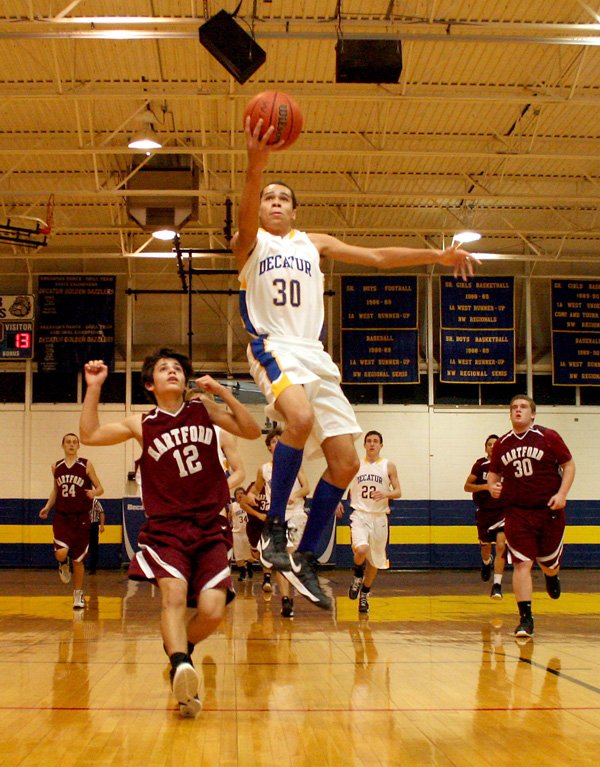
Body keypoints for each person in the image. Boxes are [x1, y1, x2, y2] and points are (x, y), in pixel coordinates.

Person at [232, 116, 478, 609]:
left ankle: (302, 556)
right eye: (268, 197)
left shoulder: (313, 243)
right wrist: (256, 165)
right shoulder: (250, 244)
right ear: (259, 207)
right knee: (297, 420)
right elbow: (247, 203)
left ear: (295, 210)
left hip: (316, 356)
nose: (274, 202)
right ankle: (274, 529)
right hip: (273, 344)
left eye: (283, 198)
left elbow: (378, 258)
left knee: (344, 463)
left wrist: (436, 255)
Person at [79, 348, 261, 717]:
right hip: (167, 528)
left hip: (210, 526)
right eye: (164, 369)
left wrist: (223, 392)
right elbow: (90, 434)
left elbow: (251, 430)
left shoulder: (203, 411)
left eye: (178, 368)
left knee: (212, 612)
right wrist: (94, 387)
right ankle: (179, 663)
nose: (173, 372)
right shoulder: (141, 423)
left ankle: (182, 653)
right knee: (174, 597)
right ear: (150, 384)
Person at [487, 395, 575, 639]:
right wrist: (492, 488)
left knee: (548, 563)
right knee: (521, 564)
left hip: (548, 511)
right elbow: (492, 476)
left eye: (523, 407)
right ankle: (526, 618)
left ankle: (552, 575)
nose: (518, 411)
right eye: (514, 407)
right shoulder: (502, 444)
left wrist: (562, 493)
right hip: (517, 512)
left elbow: (569, 465)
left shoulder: (548, 436)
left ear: (533, 414)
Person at [39, 433, 104, 609]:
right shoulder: (56, 466)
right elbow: (55, 490)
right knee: (61, 552)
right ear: (63, 445)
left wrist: (94, 493)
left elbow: (100, 488)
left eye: (75, 442)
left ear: (78, 446)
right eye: (68, 442)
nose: (71, 444)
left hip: (82, 517)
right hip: (62, 516)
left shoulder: (86, 464)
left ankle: (78, 595)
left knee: (78, 561)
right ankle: (62, 564)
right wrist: (47, 506)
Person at [252, 427, 310, 618]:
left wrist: (294, 495)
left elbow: (306, 488)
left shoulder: (295, 464)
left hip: (295, 513)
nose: (278, 444)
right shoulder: (264, 469)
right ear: (269, 447)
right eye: (274, 441)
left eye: (281, 441)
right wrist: (250, 497)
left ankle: (290, 593)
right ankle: (286, 600)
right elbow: (256, 490)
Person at [345, 431, 401, 615]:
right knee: (361, 549)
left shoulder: (388, 466)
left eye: (375, 441)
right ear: (364, 445)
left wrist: (387, 493)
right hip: (360, 514)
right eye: (368, 441)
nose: (372, 444)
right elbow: (342, 484)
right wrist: (336, 500)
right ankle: (357, 575)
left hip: (379, 517)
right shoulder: (356, 464)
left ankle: (365, 593)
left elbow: (398, 491)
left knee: (375, 561)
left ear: (381, 445)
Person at [464, 434, 507, 599]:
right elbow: (467, 486)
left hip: (502, 511)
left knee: (501, 545)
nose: (492, 446)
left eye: (496, 444)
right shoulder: (480, 465)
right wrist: (486, 487)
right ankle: (486, 562)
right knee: (486, 546)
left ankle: (497, 585)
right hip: (484, 511)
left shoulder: (506, 465)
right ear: (485, 447)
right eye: (489, 444)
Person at [229, 486, 254, 582]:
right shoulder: (232, 506)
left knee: (251, 555)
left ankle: (250, 566)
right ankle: (243, 573)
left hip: (248, 533)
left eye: (241, 493)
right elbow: (229, 518)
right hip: (237, 533)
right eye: (237, 493)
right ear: (235, 496)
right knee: (238, 556)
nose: (239, 495)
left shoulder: (250, 504)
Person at [88, 497, 105, 574]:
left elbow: (101, 512)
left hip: (93, 525)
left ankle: (93, 568)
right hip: (84, 525)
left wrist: (101, 525)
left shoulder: (95, 501)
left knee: (94, 546)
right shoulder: (81, 500)